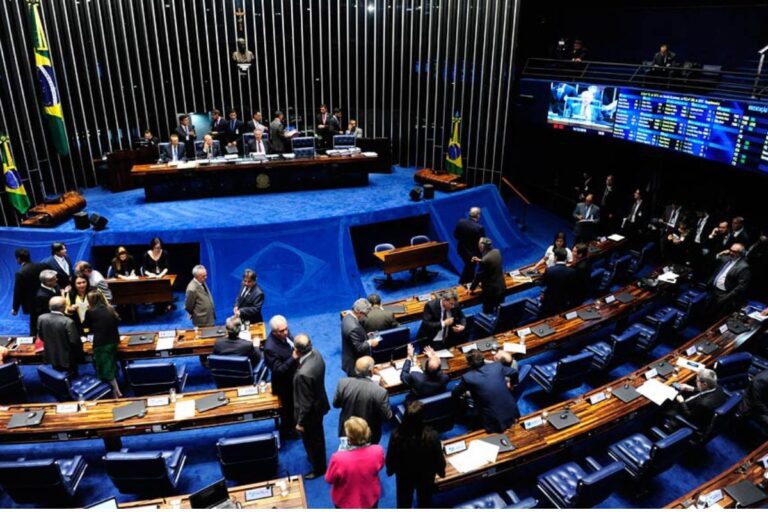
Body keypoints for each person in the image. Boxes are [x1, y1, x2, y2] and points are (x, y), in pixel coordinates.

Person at [386, 400, 446, 508]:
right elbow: (438, 458)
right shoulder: (431, 436)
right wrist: (441, 471)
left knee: (403, 502)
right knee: (425, 502)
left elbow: (391, 457)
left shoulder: (396, 435)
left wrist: (390, 470)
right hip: (426, 475)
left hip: (404, 475)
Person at [451, 349, 519, 433]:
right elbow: (514, 372)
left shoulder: (468, 377)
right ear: (483, 359)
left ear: (469, 364)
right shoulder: (497, 366)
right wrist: (513, 385)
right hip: (512, 411)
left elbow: (455, 393)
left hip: (495, 421)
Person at [325, 417, 385, 509]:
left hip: (345, 502)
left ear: (350, 438)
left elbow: (329, 479)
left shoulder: (338, 458)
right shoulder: (378, 450)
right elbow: (379, 467)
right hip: (370, 498)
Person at [293, 333, 330, 479]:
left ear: (297, 350)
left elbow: (305, 404)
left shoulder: (303, 374)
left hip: (309, 415)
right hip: (319, 404)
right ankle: (318, 460)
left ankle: (319, 468)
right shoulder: (317, 354)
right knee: (318, 437)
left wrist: (300, 422)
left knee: (312, 441)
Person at [333, 356, 392, 444]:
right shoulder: (380, 392)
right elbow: (388, 416)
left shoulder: (342, 383)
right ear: (371, 372)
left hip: (348, 430)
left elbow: (336, 404)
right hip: (368, 434)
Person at [264, 315, 298, 438]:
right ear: (274, 332)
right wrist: (293, 358)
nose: (286, 333)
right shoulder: (270, 348)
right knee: (288, 410)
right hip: (284, 385)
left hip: (293, 379)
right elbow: (278, 370)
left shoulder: (285, 334)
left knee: (295, 405)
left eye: (286, 329)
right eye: (282, 331)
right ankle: (289, 431)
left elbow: (291, 341)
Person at [84, 290, 122, 398]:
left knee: (105, 367)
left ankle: (116, 391)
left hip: (101, 343)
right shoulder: (111, 309)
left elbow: (86, 325)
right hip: (114, 341)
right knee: (110, 363)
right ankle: (115, 389)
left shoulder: (90, 312)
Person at [37, 296, 80, 376]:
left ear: (49, 307)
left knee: (56, 376)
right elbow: (74, 342)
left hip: (50, 354)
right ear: (63, 307)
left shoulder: (41, 318)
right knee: (72, 378)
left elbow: (41, 336)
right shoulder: (68, 322)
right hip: (67, 358)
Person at [708, 243, 751, 315]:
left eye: (734, 252)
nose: (731, 253)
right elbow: (712, 261)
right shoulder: (726, 258)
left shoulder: (743, 267)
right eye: (730, 250)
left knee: (715, 315)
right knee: (706, 311)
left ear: (740, 253)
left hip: (724, 295)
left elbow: (741, 287)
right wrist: (720, 254)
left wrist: (726, 297)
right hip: (713, 290)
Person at [12, 248, 46, 335]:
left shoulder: (20, 273)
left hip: (32, 304)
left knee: (34, 326)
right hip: (46, 300)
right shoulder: (42, 266)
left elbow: (18, 291)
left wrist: (15, 308)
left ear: (18, 259)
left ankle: (34, 344)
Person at [341, 298, 377, 377]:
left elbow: (353, 338)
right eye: (365, 314)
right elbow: (359, 347)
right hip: (354, 363)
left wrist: (365, 336)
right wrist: (370, 342)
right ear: (360, 313)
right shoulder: (354, 327)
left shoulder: (347, 316)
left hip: (348, 354)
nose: (366, 317)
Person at [470, 237, 506, 314]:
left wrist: (471, 289)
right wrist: (480, 261)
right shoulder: (497, 252)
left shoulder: (485, 260)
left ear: (482, 246)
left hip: (491, 292)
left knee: (487, 311)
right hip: (501, 287)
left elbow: (478, 276)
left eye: (479, 244)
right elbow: (491, 264)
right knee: (500, 309)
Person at [540, 248, 577, 315]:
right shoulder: (572, 271)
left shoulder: (549, 270)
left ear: (556, 257)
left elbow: (543, 284)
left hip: (549, 300)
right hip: (563, 300)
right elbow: (572, 287)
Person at [453, 206, 485, 284]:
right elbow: (481, 243)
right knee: (470, 268)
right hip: (474, 254)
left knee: (469, 267)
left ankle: (469, 282)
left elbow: (455, 235)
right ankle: (464, 283)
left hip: (462, 250)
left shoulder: (461, 222)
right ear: (478, 215)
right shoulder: (479, 228)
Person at [33, 269, 62, 336]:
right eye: (54, 279)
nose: (57, 280)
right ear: (47, 282)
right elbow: (39, 314)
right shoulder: (40, 296)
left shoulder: (56, 286)